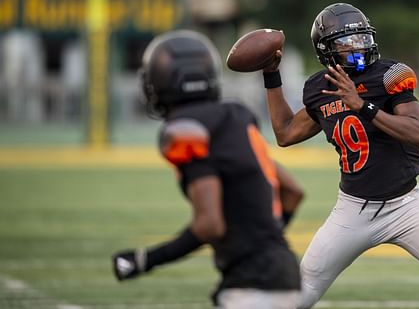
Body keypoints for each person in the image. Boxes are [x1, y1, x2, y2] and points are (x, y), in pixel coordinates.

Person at [261, 3, 419, 309]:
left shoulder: (389, 76)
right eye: (347, 41)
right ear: (326, 50)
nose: (359, 47)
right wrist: (272, 76)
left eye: (362, 38)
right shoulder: (320, 88)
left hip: (407, 205)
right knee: (301, 292)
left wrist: (363, 106)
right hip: (353, 210)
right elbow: (285, 134)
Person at [111, 30, 303, 308]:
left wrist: (145, 260)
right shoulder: (236, 115)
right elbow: (292, 192)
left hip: (251, 286)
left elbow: (210, 224)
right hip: (283, 272)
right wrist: (261, 241)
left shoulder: (184, 130)